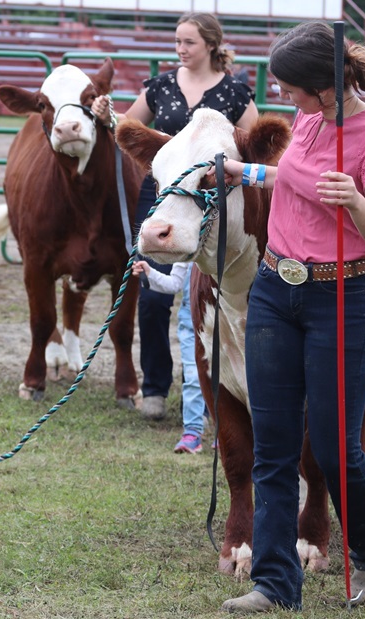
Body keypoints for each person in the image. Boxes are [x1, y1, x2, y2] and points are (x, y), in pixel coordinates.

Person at [213, 21, 365, 612]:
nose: (282, 96)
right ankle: (274, 583)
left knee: (331, 445)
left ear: (324, 86)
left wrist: (353, 200)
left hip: (342, 297)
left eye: (289, 86)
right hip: (275, 290)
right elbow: (295, 182)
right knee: (272, 446)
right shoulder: (306, 120)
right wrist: (241, 173)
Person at [92, 12, 258, 421]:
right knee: (151, 298)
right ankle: (154, 387)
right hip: (162, 195)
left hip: (210, 204)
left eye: (189, 43)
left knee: (209, 299)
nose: (180, 50)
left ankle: (202, 390)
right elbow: (129, 127)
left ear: (211, 46)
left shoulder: (236, 92)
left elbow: (254, 146)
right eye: (177, 42)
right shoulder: (160, 86)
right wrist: (104, 113)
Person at [130, 260, 210, 453]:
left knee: (224, 379)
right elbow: (173, 283)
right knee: (193, 377)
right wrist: (149, 272)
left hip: (225, 321)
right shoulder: (187, 251)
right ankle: (192, 432)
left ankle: (226, 431)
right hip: (193, 322)